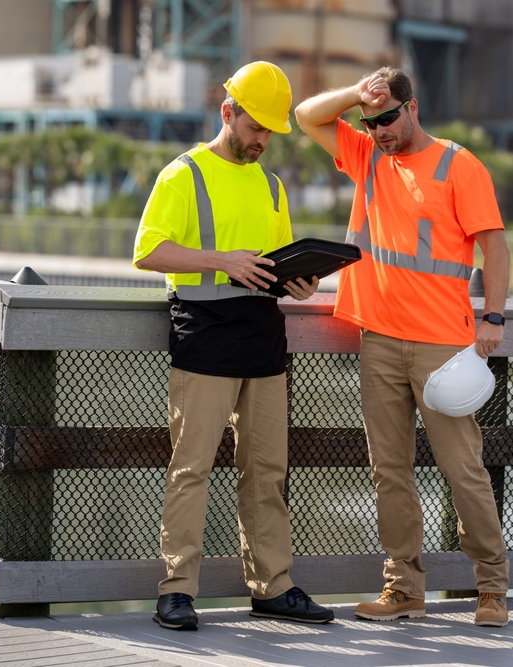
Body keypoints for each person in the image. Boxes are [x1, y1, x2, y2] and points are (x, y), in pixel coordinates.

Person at [295, 66, 512, 627]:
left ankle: (491, 589)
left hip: (444, 344)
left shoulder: (458, 164)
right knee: (388, 469)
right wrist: (354, 95)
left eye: (389, 117)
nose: (380, 129)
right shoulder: (367, 153)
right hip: (379, 340)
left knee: (462, 468)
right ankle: (403, 589)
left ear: (413, 108)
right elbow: (304, 116)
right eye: (370, 122)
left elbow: (496, 248)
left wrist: (494, 318)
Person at [133, 61, 333, 631]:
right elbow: (148, 251)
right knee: (190, 468)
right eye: (256, 128)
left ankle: (272, 586)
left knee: (267, 469)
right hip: (204, 333)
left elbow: (272, 262)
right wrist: (222, 261)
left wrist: (302, 281)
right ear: (228, 113)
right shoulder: (184, 174)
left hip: (264, 334)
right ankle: (176, 590)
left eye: (270, 132)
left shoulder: (272, 186)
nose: (263, 141)